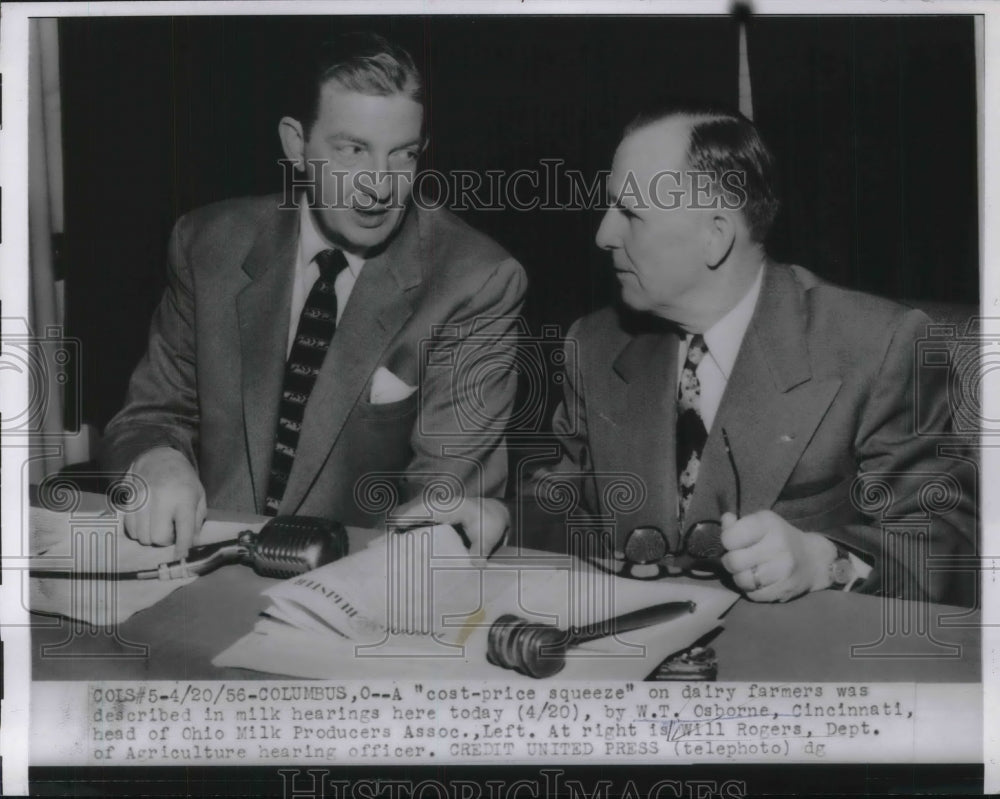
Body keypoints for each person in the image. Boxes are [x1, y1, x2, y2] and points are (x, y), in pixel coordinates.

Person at [395, 103, 975, 606]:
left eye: (630, 213)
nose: (602, 234)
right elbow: (571, 500)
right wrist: (499, 519)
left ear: (715, 236)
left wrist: (824, 560)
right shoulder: (593, 344)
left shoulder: (878, 344)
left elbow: (945, 546)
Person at [100, 32, 526, 558]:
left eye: (403, 155)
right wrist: (154, 459)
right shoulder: (207, 243)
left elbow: (444, 501)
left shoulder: (476, 280)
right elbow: (148, 418)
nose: (379, 186)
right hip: (197, 570)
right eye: (352, 150)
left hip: (354, 593)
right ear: (296, 145)